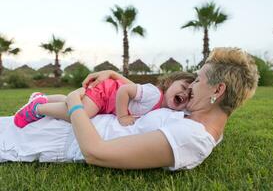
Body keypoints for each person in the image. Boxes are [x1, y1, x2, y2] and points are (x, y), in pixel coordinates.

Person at [0, 47, 259, 170]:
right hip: (70, 123)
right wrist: (113, 74)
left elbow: (95, 152)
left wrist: (73, 102)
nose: (192, 85)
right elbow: (147, 97)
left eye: (199, 80)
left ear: (218, 90)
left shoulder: (191, 136)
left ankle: (40, 106)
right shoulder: (198, 116)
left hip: (60, 137)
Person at [13, 71, 195, 127]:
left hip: (107, 101)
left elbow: (128, 83)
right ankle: (38, 108)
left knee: (73, 100)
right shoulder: (154, 94)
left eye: (189, 96)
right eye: (183, 87)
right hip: (105, 93)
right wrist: (122, 116)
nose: (185, 94)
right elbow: (124, 90)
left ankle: (43, 97)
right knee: (80, 115)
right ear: (170, 83)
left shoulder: (163, 105)